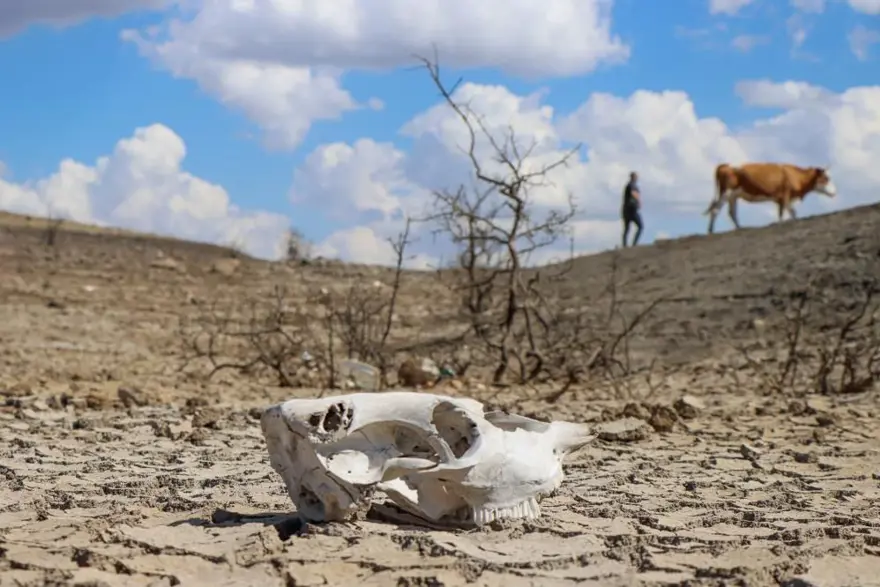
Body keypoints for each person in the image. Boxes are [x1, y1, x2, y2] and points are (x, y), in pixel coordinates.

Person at [621, 171, 643, 247]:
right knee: (640, 226)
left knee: (627, 228)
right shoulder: (631, 185)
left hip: (626, 210)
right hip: (631, 209)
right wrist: (639, 201)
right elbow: (633, 193)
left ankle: (625, 245)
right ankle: (633, 244)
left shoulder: (629, 185)